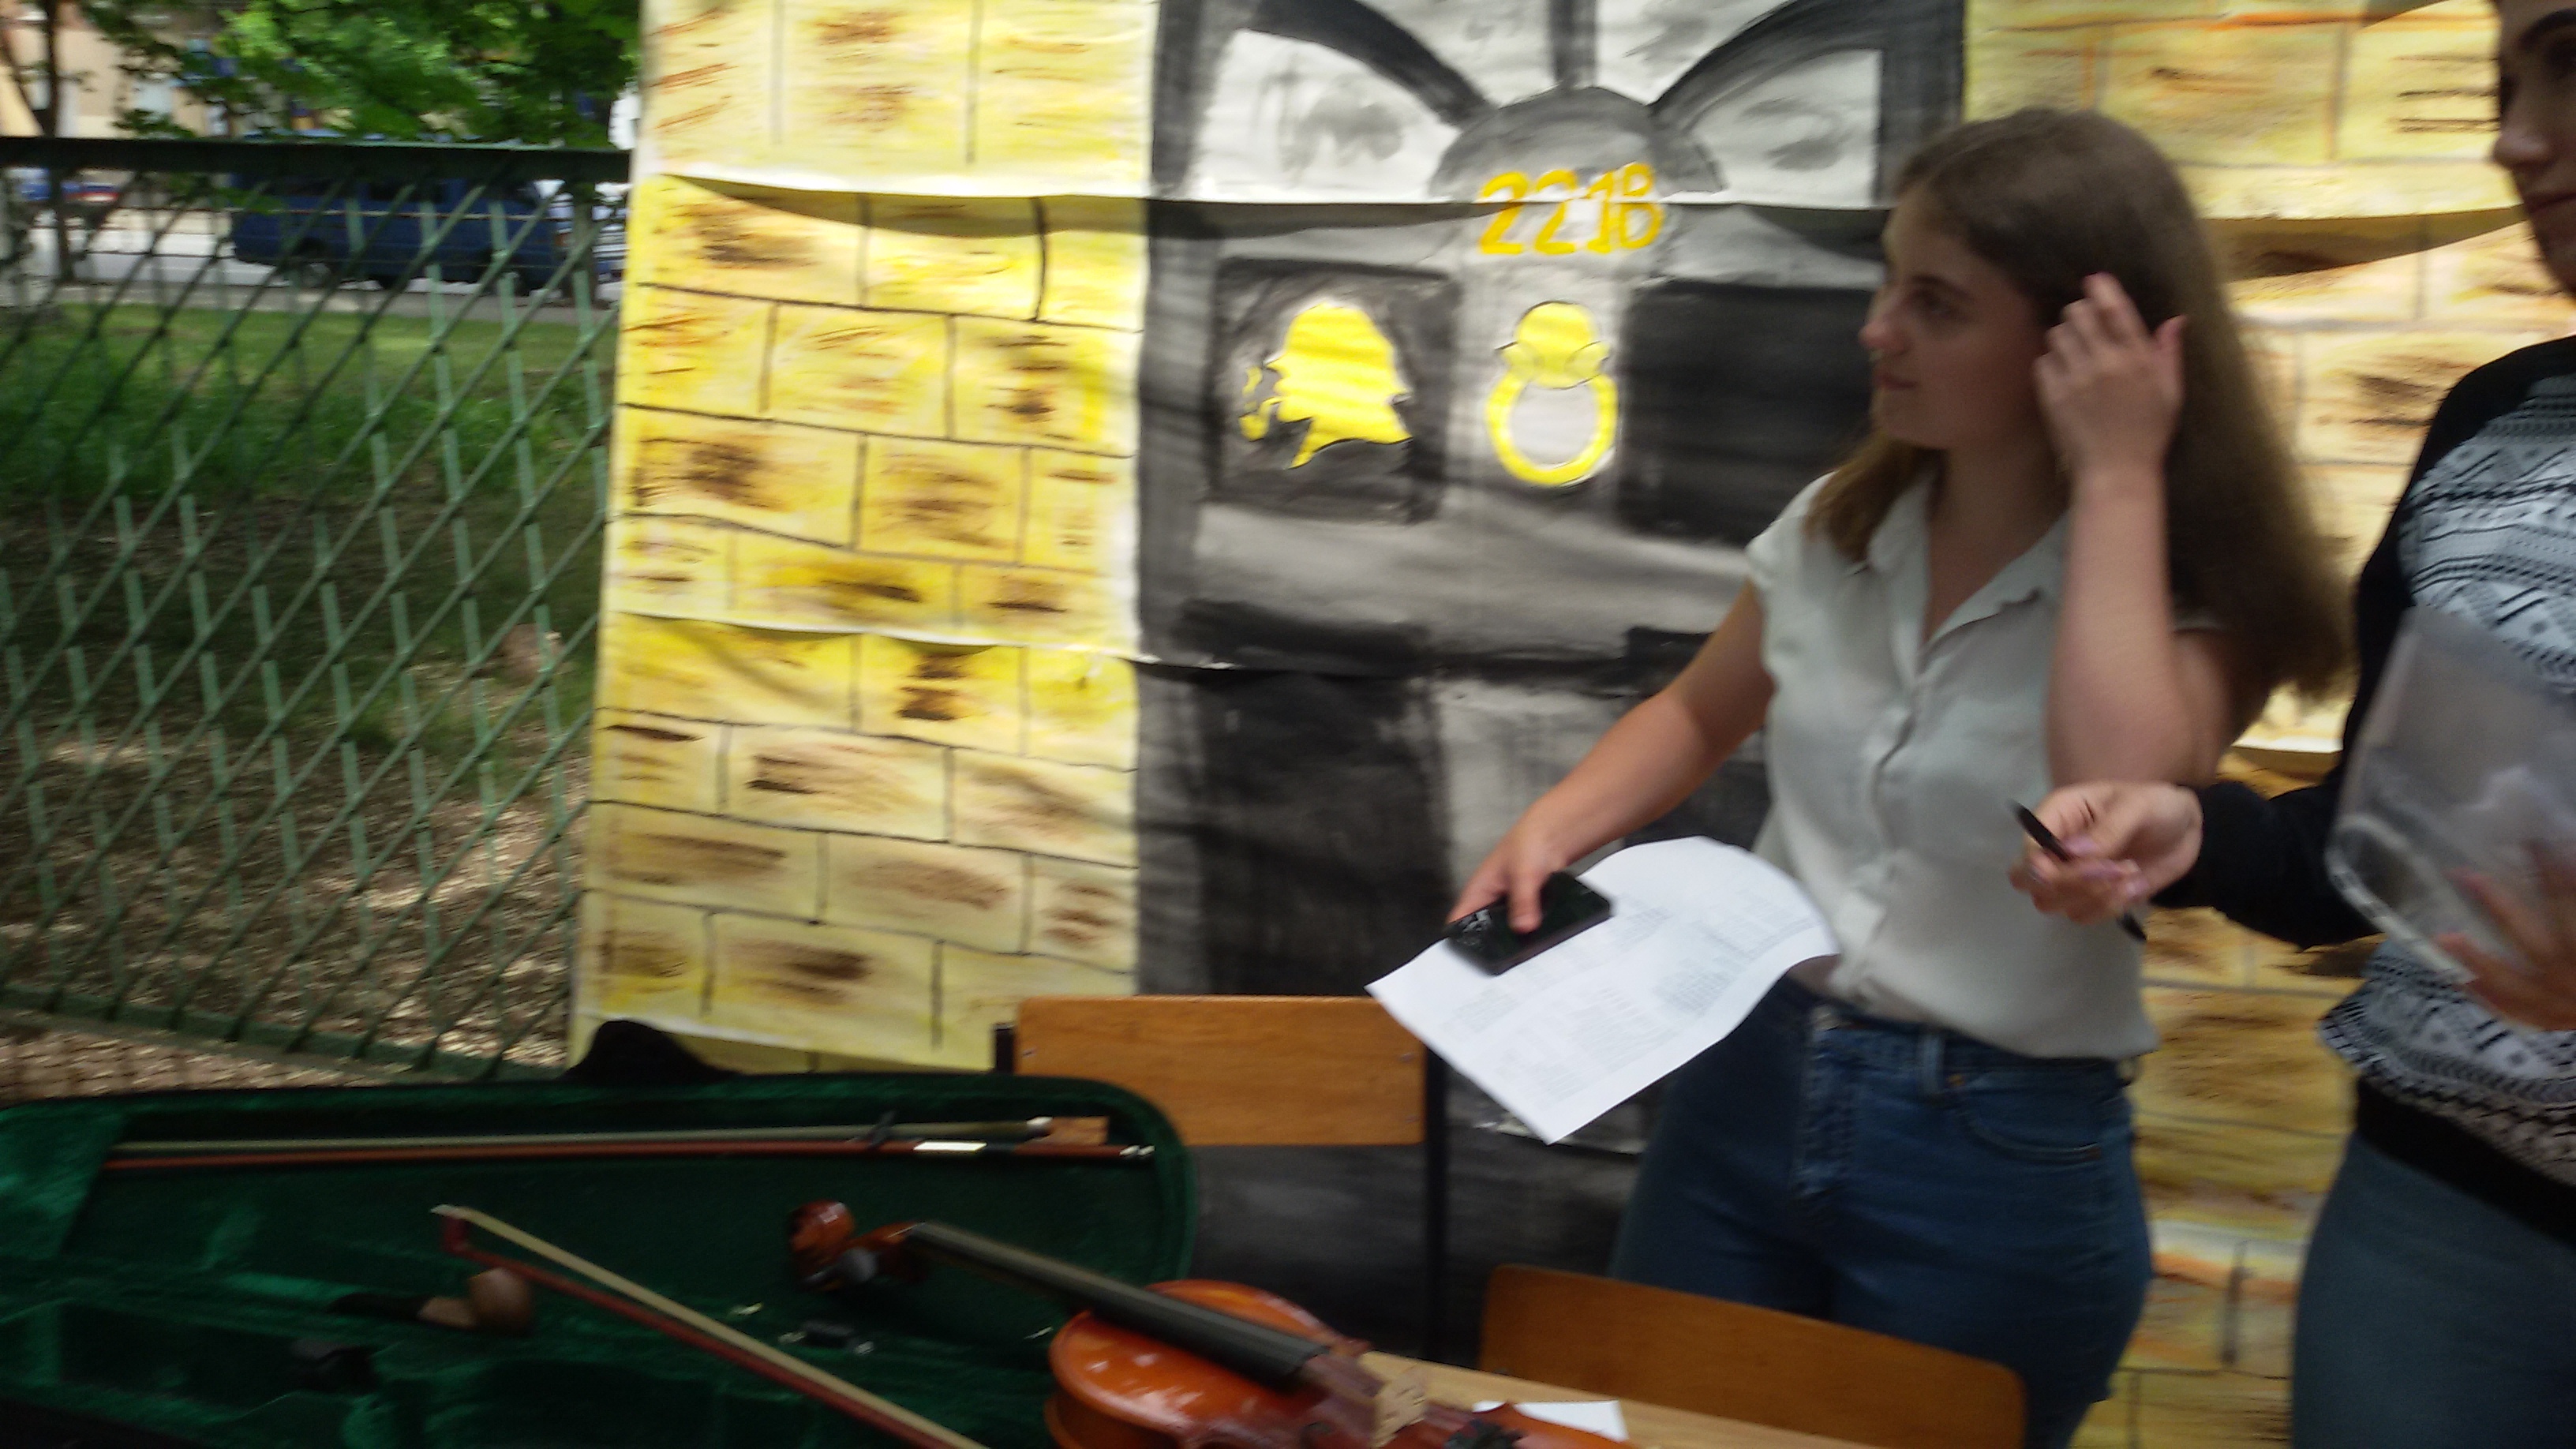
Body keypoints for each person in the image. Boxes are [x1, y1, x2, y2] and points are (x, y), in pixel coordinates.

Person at [1451, 109, 2347, 1449]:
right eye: (1889, 282)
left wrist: (2116, 474)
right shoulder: (1839, 523)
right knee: (1659, 1431)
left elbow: (2114, 798)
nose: (1878, 331)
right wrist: (1551, 829)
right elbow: (1699, 712)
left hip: (1993, 1149)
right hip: (1747, 1078)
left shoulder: (2189, 589)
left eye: (1937, 303)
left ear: (2081, 342)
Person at [2012, 6, 2576, 1442]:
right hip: (2440, 1217)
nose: (2515, 139)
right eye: (2503, 79)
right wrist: (2193, 832)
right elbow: (2376, 848)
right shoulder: (2496, 421)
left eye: (2572, 57)